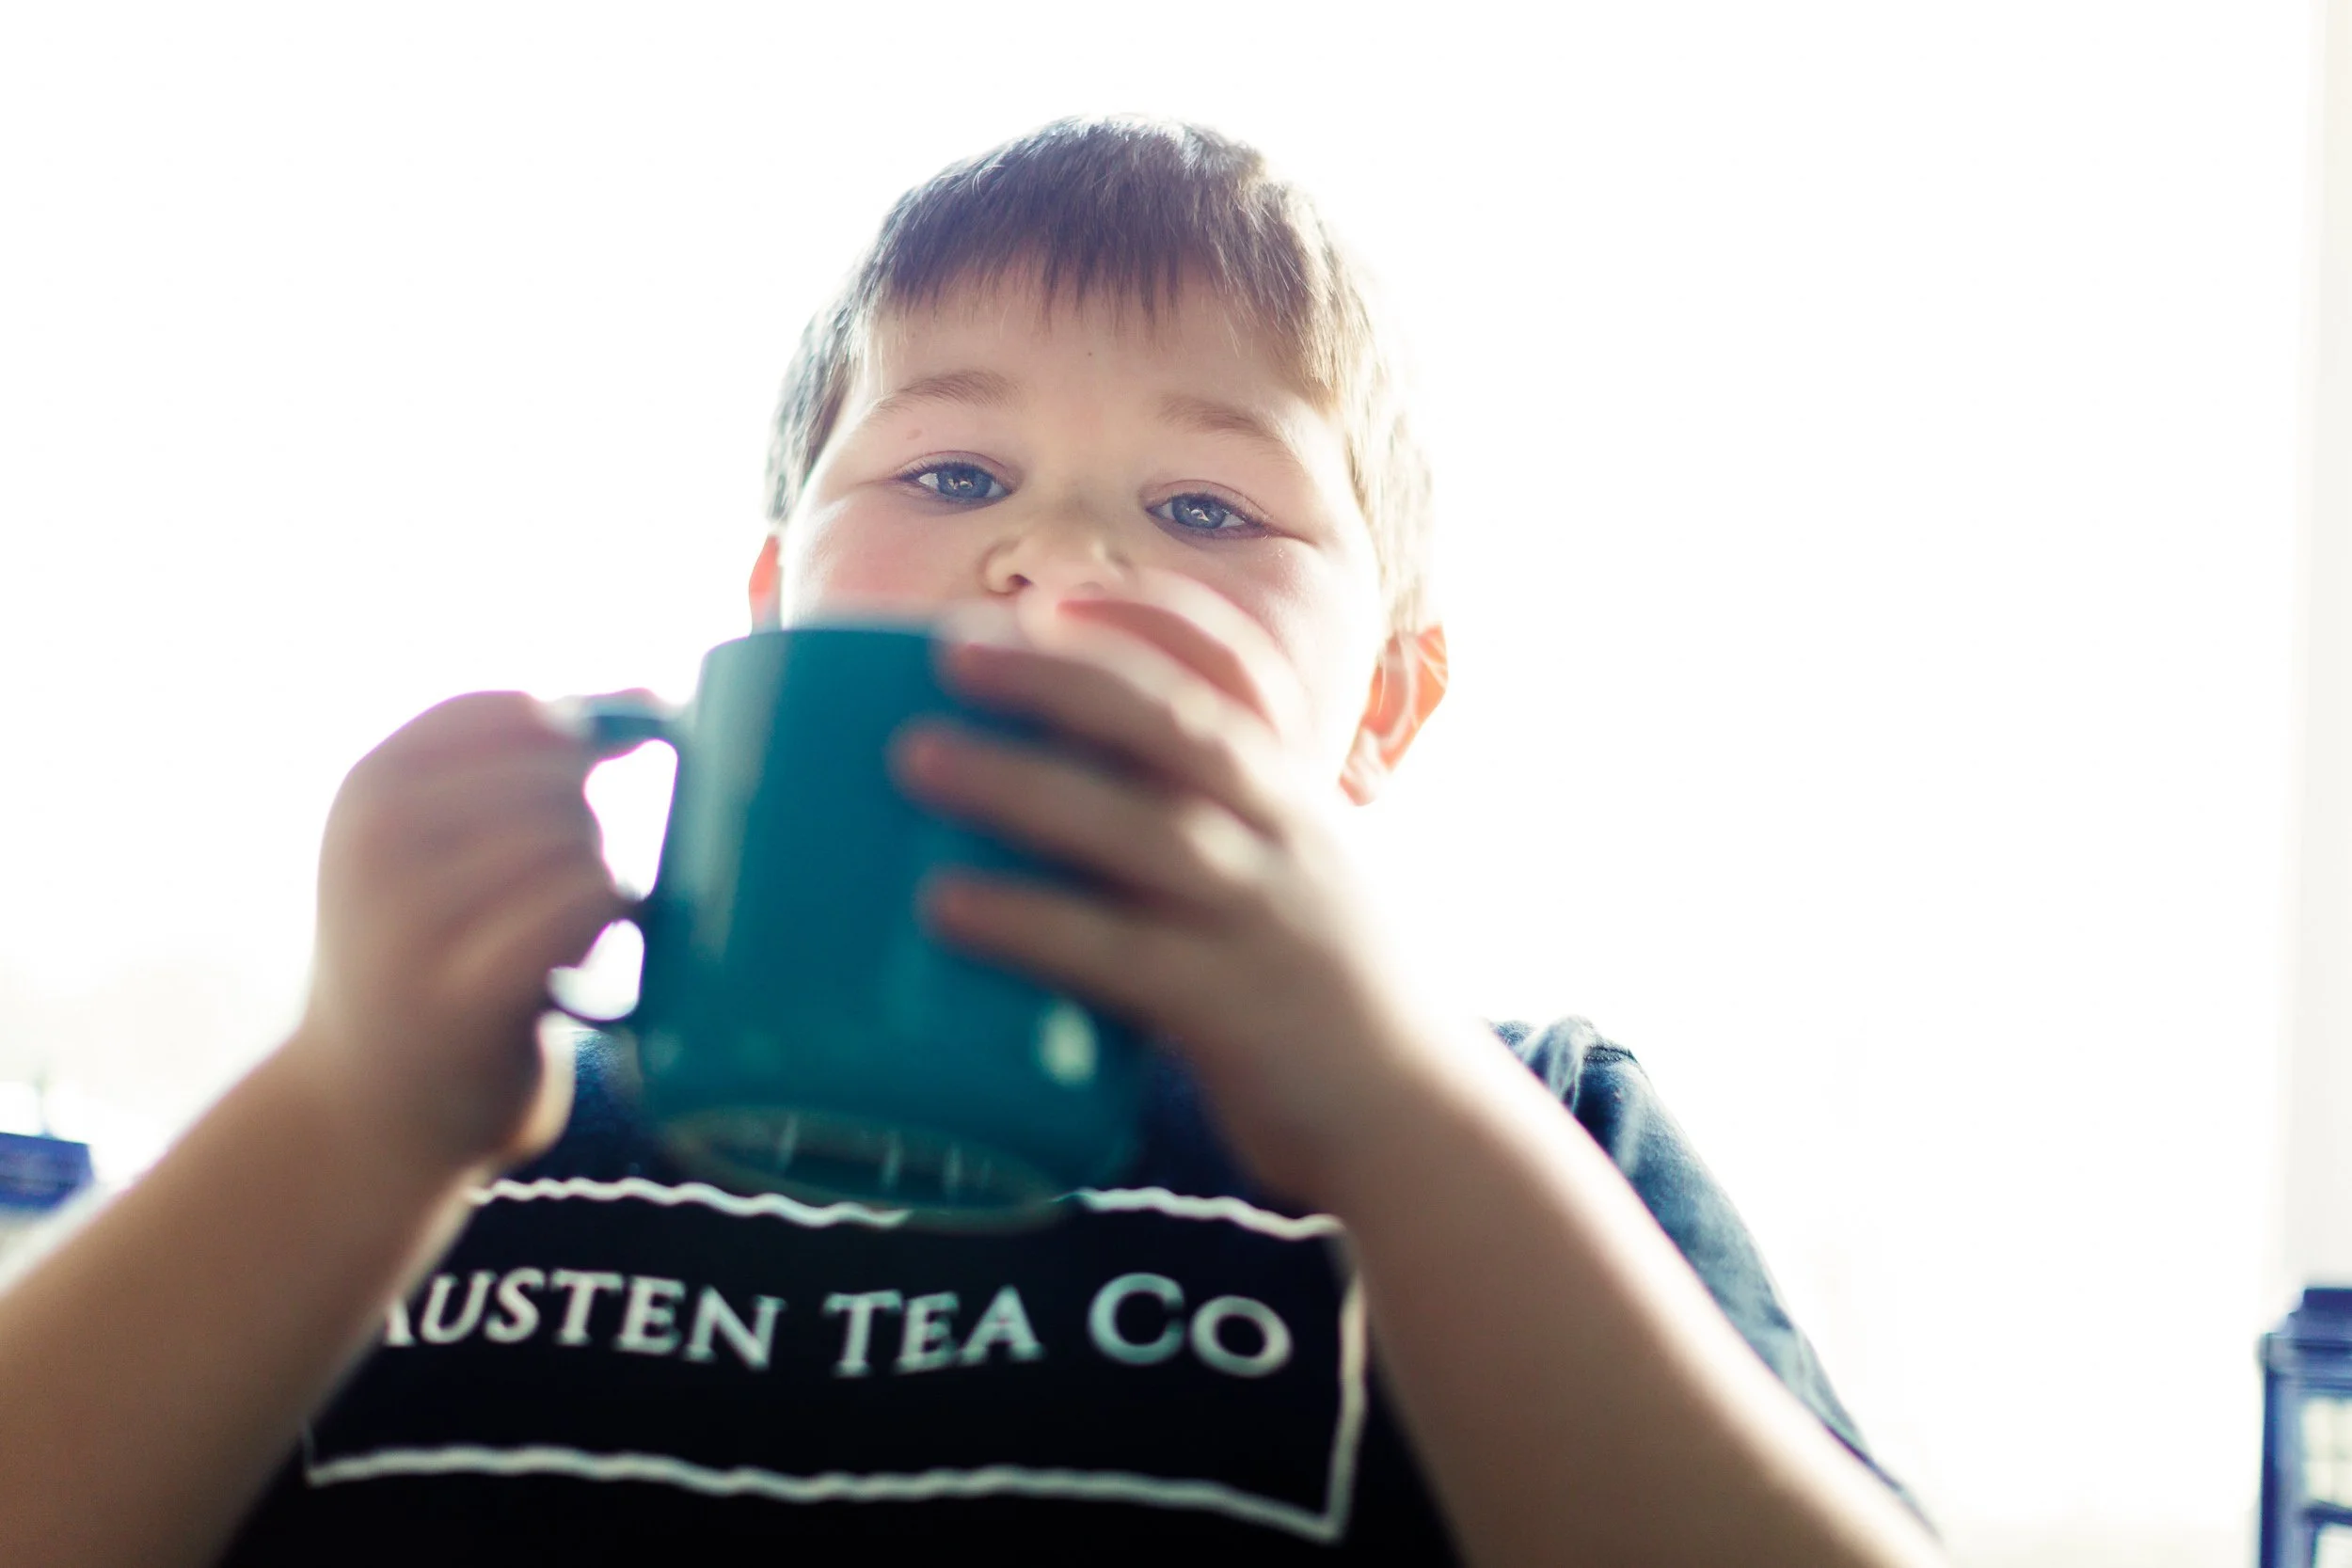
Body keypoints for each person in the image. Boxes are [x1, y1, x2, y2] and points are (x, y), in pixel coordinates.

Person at [0, 118, 1942, 1567]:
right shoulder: (437, 1140)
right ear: (765, 617)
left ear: (1379, 710)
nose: (1060, 557)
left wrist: (1400, 1119)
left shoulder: (1505, 1134)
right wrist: (344, 1110)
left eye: (1203, 509)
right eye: (948, 472)